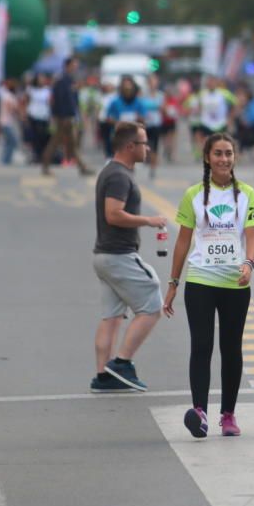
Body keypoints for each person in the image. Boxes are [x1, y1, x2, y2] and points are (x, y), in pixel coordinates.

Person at [163, 132, 254, 438]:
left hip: (235, 283)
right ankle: (200, 412)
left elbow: (253, 237)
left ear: (235, 157)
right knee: (202, 345)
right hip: (201, 280)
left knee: (231, 348)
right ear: (207, 158)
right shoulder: (194, 194)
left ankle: (228, 414)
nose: (224, 159)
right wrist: (173, 283)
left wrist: (248, 264)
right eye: (218, 153)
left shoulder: (247, 193)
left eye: (229, 153)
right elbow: (182, 242)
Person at [91, 121, 168, 393]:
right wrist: (149, 220)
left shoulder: (112, 172)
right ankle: (121, 363)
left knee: (111, 316)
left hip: (105, 255)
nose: (148, 148)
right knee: (152, 302)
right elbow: (113, 213)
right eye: (144, 143)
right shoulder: (118, 176)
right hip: (118, 254)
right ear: (129, 146)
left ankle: (103, 377)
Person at [42, 57, 92, 176]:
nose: (75, 68)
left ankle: (82, 166)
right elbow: (60, 100)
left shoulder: (68, 79)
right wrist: (64, 116)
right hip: (64, 117)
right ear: (68, 66)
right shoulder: (62, 80)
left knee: (71, 143)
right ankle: (46, 166)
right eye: (74, 65)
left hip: (68, 116)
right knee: (57, 142)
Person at [26, 73, 52, 164]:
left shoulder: (47, 90)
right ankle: (36, 156)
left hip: (44, 116)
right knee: (35, 137)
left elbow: (50, 103)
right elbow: (26, 102)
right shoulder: (31, 90)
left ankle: (44, 156)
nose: (42, 80)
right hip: (34, 116)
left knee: (44, 137)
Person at [0, 78, 23, 166]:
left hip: (7, 121)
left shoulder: (9, 95)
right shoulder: (7, 96)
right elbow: (11, 108)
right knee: (13, 141)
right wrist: (19, 111)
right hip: (5, 122)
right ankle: (6, 160)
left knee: (8, 141)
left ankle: (5, 159)